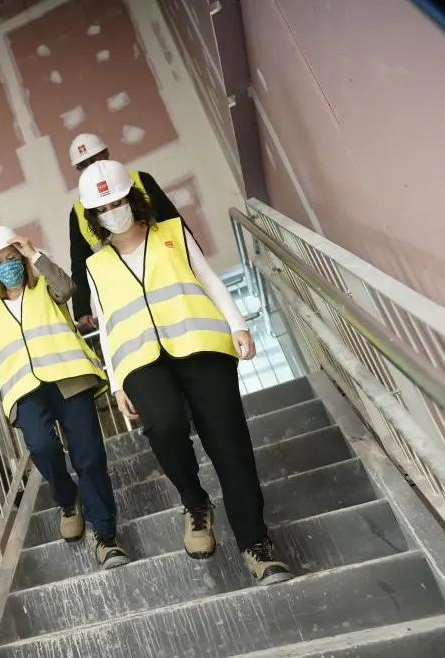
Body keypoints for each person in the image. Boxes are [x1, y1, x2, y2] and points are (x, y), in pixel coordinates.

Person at [77, 160, 294, 586]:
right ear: (93, 217)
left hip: (201, 346)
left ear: (133, 199)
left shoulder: (172, 232)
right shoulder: (95, 266)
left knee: (229, 442)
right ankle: (196, 503)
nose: (113, 212)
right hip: (140, 359)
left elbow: (210, 280)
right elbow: (105, 324)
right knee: (163, 426)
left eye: (118, 201)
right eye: (103, 208)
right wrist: (116, 381)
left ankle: (256, 544)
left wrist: (237, 325)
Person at [0, 226, 129, 569]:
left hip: (69, 378)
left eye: (11, 258)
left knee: (88, 456)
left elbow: (69, 288)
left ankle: (106, 537)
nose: (6, 266)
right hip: (25, 391)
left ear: (22, 257)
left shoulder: (46, 284)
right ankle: (68, 500)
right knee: (42, 448)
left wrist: (35, 256)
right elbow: (4, 359)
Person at [66, 133, 180, 333]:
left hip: (162, 270)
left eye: (96, 159)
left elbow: (173, 222)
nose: (93, 166)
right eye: (85, 164)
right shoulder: (79, 210)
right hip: (123, 287)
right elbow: (79, 263)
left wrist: (192, 255)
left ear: (107, 153)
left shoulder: (139, 181)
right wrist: (82, 307)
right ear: (77, 169)